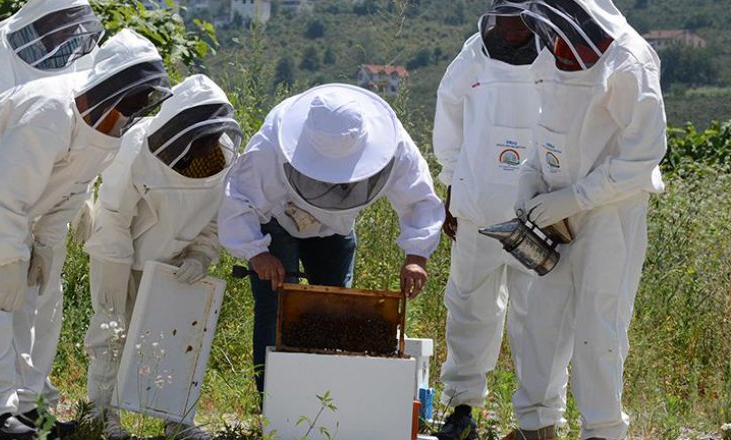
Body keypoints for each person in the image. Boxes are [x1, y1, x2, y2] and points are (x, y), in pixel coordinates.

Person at [0, 29, 171, 440]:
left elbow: (68, 195)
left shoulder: (105, 131)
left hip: (9, 206)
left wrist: (44, 250)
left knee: (32, 304)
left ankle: (28, 407)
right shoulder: (50, 111)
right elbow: (4, 194)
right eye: (130, 99)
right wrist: (9, 261)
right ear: (109, 84)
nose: (130, 111)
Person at [218, 84, 445, 394]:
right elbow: (239, 197)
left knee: (336, 308)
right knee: (276, 307)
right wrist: (257, 252)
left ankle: (326, 398)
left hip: (335, 227)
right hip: (278, 218)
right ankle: (273, 401)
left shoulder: (394, 144)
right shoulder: (271, 143)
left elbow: (420, 198)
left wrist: (417, 256)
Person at [508, 1, 667, 439]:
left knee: (599, 326)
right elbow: (548, 128)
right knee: (541, 322)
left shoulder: (629, 61)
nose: (556, 43)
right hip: (556, 213)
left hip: (609, 214)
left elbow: (642, 157)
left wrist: (575, 198)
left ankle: (602, 430)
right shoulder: (553, 53)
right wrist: (531, 175)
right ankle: (536, 424)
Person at [0, 1, 104, 433]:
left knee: (43, 302)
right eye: (58, 25)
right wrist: (7, 235)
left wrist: (82, 193)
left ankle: (32, 404)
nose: (66, 36)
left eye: (71, 26)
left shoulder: (80, 48)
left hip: (51, 194)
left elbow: (90, 118)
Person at [82, 74, 241, 440]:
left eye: (210, 137)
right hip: (118, 248)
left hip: (174, 260)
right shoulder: (138, 146)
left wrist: (200, 256)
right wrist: (116, 274)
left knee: (178, 337)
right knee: (111, 330)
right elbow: (115, 215)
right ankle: (102, 415)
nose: (204, 147)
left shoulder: (224, 158)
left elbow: (213, 219)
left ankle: (177, 419)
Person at [431, 1, 541, 439]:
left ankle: (538, 418)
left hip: (537, 215)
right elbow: (449, 119)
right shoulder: (473, 55)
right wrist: (450, 186)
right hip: (476, 206)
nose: (511, 32)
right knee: (468, 308)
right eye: (505, 22)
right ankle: (461, 408)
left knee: (538, 318)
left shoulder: (555, 55)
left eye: (520, 24)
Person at [0, 0, 104, 116]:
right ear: (44, 16)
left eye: (73, 21)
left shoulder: (78, 45)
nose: (68, 29)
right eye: (62, 19)